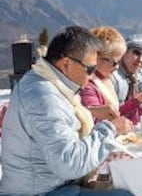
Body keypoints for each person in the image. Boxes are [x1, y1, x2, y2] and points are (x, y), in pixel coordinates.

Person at [0, 26, 134, 195]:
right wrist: (111, 129)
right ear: (66, 64)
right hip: (40, 191)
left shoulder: (48, 83)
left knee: (121, 180)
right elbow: (69, 163)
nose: (92, 76)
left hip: (54, 183)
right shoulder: (44, 96)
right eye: (90, 69)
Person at [81, 27, 142, 124]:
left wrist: (137, 101)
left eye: (118, 62)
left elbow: (116, 113)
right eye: (114, 63)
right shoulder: (89, 87)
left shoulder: (105, 79)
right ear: (97, 58)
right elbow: (95, 123)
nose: (117, 68)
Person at [111, 33, 142, 124]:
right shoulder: (114, 77)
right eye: (136, 53)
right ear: (124, 52)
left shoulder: (134, 77)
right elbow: (115, 118)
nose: (140, 60)